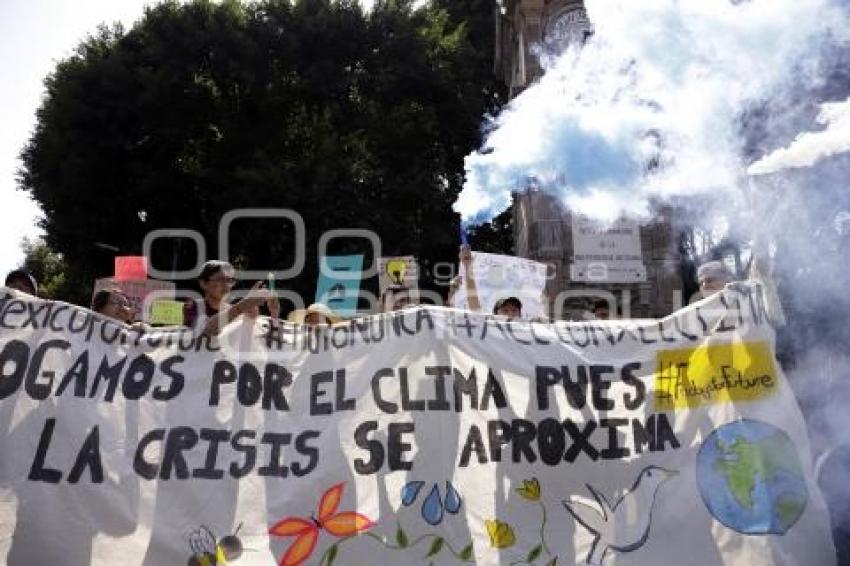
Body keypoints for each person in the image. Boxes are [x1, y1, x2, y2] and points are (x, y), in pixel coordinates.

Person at [184, 261, 278, 336]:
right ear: (203, 284)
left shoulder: (232, 309)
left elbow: (254, 335)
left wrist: (273, 312)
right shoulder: (193, 305)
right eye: (220, 280)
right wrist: (243, 305)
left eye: (229, 280)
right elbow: (206, 330)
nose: (226, 285)